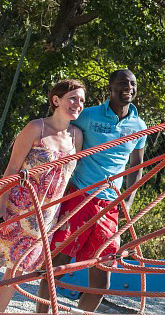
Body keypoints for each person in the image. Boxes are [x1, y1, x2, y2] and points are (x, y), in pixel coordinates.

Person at [38, 69, 147, 313]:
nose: (128, 87)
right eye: (122, 83)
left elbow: (136, 168)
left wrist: (127, 203)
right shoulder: (88, 115)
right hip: (78, 196)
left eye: (132, 83)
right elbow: (62, 132)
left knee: (102, 275)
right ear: (111, 88)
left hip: (109, 205)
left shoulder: (139, 125)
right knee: (59, 264)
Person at [0, 80, 85, 313]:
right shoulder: (36, 128)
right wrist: (0, 207)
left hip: (44, 216)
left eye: (82, 101)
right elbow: (12, 169)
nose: (78, 104)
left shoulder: (76, 137)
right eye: (73, 98)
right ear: (56, 100)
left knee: (16, 270)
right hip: (17, 209)